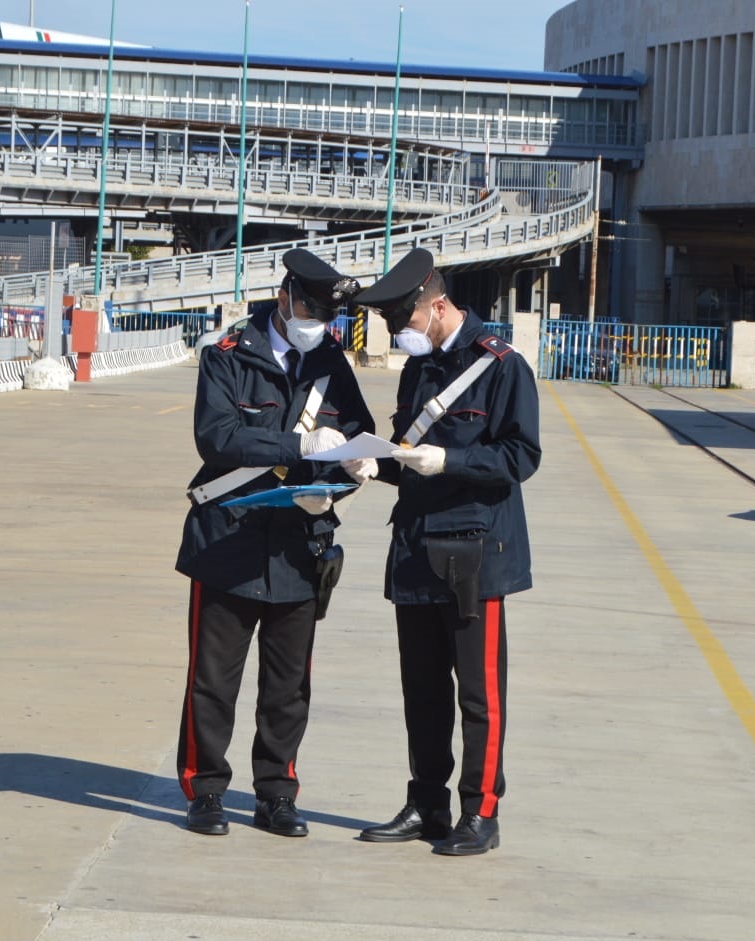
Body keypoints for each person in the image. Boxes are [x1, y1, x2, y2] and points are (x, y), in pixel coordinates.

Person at [346, 248, 540, 856]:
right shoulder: (419, 370)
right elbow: (409, 457)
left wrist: (452, 459)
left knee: (479, 694)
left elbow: (520, 457)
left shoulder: (503, 367)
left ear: (436, 306)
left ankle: (480, 810)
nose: (398, 335)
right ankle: (427, 802)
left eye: (402, 323)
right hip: (415, 548)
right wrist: (370, 465)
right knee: (422, 688)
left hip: (474, 553)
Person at [176, 248, 376, 837]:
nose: (320, 322)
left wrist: (342, 485)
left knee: (288, 685)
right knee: (213, 680)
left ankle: (276, 793)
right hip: (229, 538)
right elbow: (218, 439)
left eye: (328, 315)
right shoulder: (229, 357)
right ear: (286, 297)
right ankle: (205, 789)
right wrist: (299, 450)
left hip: (299, 544)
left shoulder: (331, 365)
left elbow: (353, 439)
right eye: (312, 308)